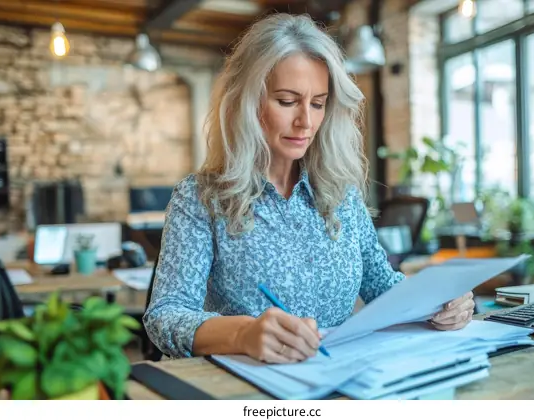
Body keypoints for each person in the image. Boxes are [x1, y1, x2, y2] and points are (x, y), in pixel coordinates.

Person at [143, 13, 475, 364]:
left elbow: (382, 285)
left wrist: (440, 302)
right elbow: (165, 315)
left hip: (341, 378)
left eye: (318, 103)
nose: (306, 121)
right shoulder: (200, 197)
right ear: (247, 103)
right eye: (287, 101)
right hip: (246, 388)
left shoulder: (341, 194)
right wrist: (242, 334)